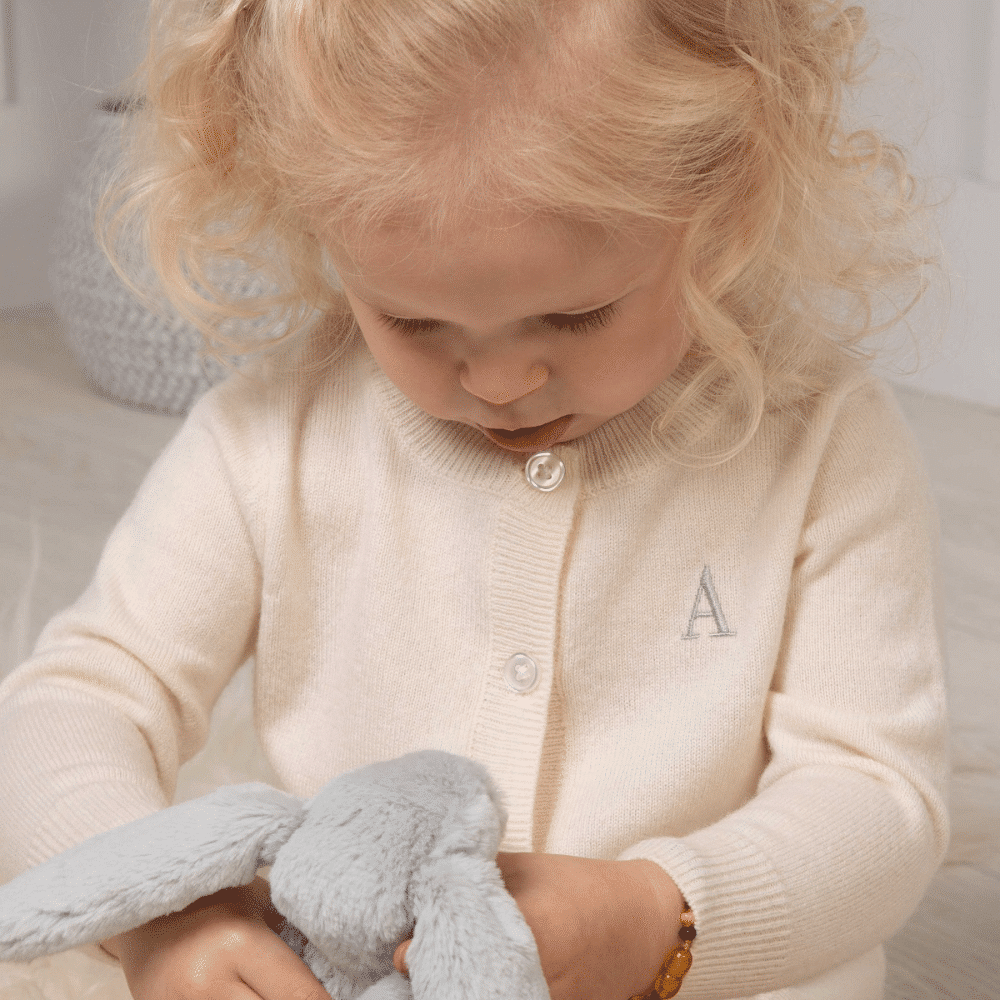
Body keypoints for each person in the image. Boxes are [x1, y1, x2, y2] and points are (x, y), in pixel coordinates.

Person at [0, 1, 952, 998]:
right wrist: (164, 918)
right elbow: (75, 701)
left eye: (576, 313)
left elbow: (875, 800)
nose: (498, 381)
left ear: (722, 199)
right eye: (413, 319)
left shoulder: (822, 442)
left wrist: (657, 916)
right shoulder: (267, 440)